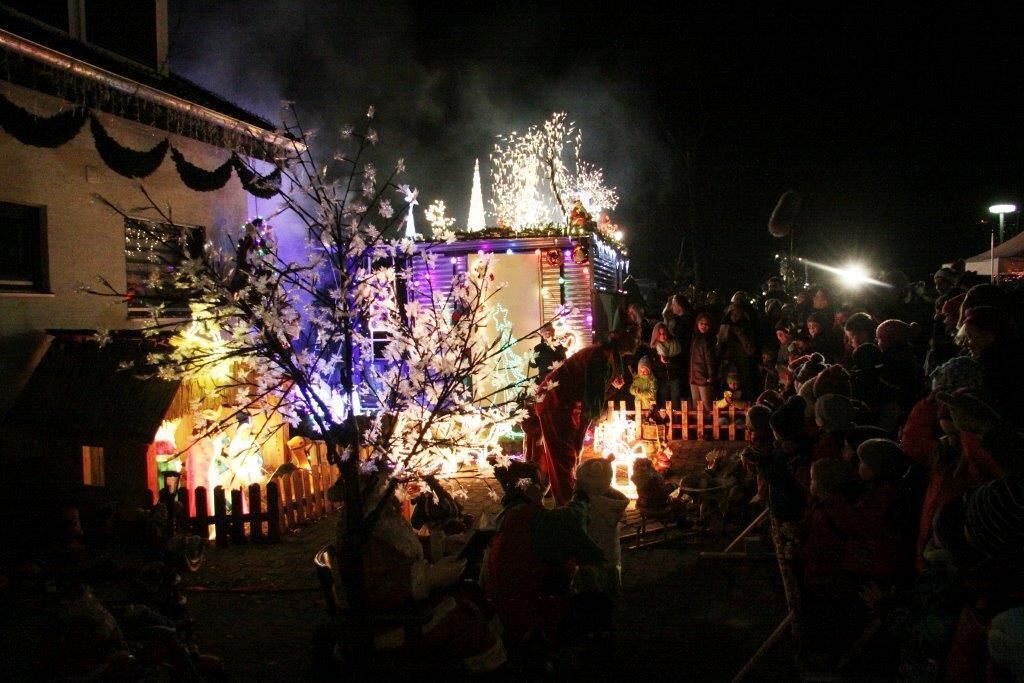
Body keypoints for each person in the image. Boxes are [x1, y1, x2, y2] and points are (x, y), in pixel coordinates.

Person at [483, 461, 607, 647]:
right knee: (599, 603)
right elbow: (568, 522)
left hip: (501, 605)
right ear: (527, 487)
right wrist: (580, 497)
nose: (543, 489)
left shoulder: (507, 514)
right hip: (523, 615)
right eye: (539, 484)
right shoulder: (526, 518)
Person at [535, 328, 637, 504]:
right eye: (635, 336)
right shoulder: (599, 357)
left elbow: (593, 395)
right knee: (564, 455)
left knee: (569, 451)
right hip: (556, 401)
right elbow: (591, 400)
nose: (638, 340)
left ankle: (557, 495)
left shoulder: (609, 356)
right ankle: (567, 507)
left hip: (567, 402)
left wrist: (611, 387)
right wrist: (580, 434)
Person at [688, 313, 718, 411]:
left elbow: (710, 360)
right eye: (701, 323)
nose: (703, 326)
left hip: (704, 378)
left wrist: (710, 376)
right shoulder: (695, 338)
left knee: (707, 405)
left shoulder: (708, 340)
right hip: (694, 376)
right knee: (696, 405)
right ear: (697, 324)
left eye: (706, 324)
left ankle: (711, 424)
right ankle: (698, 425)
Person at [650, 322, 682, 404]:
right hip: (661, 379)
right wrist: (660, 361)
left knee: (675, 401)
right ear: (656, 335)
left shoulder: (675, 344)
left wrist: (669, 361)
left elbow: (680, 362)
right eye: (659, 334)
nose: (662, 336)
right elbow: (653, 366)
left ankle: (675, 417)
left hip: (674, 378)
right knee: (664, 401)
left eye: (664, 333)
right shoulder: (654, 348)